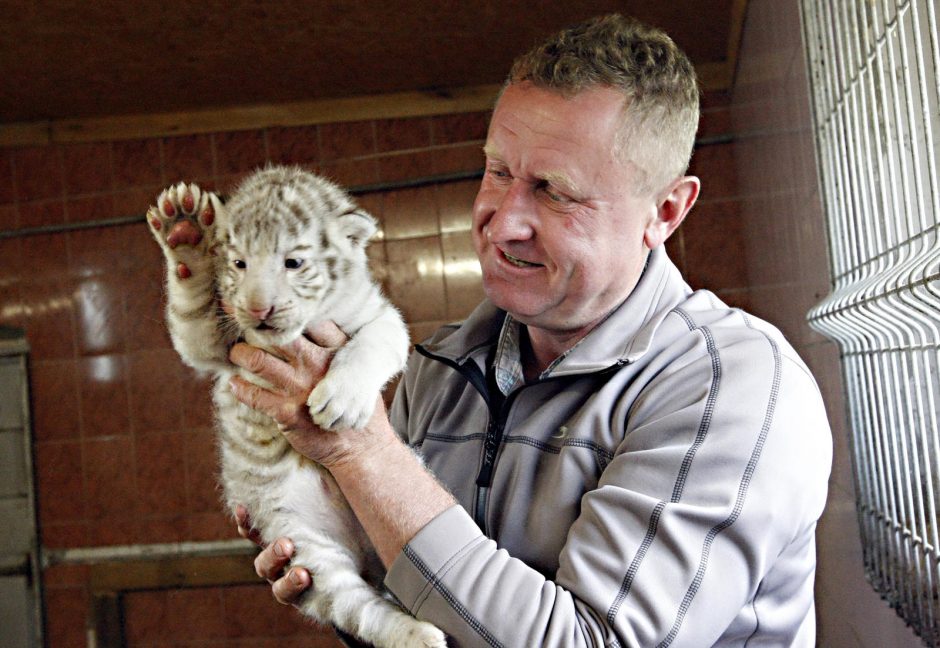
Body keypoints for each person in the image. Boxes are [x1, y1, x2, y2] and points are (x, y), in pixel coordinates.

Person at [228, 13, 832, 647]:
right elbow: (428, 611)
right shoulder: (439, 371)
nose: (502, 219)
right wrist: (339, 564)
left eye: (553, 190)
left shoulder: (731, 386)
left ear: (666, 211)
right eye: (497, 171)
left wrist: (363, 455)